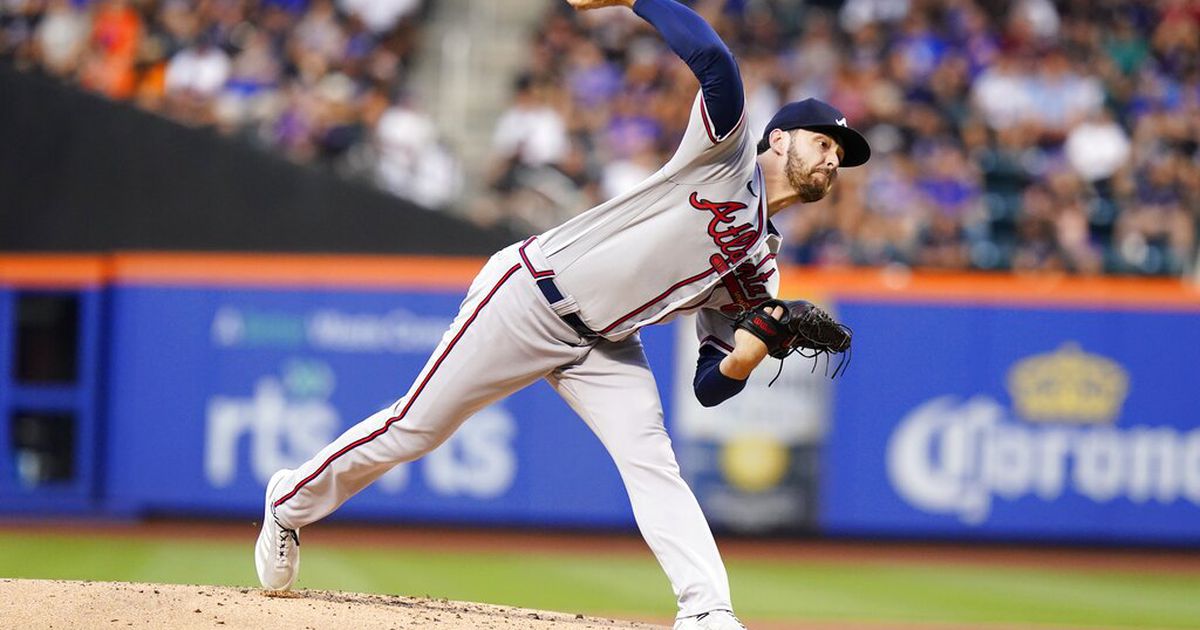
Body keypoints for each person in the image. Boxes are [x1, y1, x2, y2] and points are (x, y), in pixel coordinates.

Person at [254, 1, 870, 629]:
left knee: (652, 461)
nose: (831, 158)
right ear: (780, 137)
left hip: (607, 345)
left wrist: (750, 350)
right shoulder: (727, 157)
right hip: (532, 296)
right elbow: (715, 62)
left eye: (839, 156)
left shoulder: (761, 271)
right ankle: (290, 503)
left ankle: (708, 611)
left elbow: (710, 387)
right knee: (416, 429)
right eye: (824, 141)